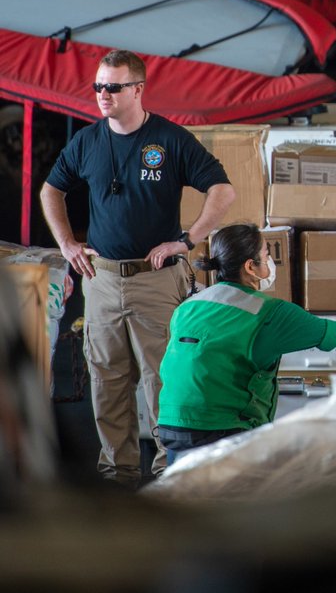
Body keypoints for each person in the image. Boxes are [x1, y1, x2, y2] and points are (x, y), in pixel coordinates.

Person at [40, 49, 235, 488]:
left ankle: (170, 472)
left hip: (156, 279)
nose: (103, 95)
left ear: (138, 90)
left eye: (113, 87)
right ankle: (118, 473)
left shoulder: (170, 140)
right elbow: (51, 190)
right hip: (103, 279)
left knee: (163, 380)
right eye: (98, 87)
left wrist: (186, 240)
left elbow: (222, 191)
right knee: (107, 381)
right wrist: (68, 243)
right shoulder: (88, 141)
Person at [158, 224, 336, 464]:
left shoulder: (189, 306)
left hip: (172, 424)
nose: (271, 262)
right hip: (222, 428)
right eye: (267, 255)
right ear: (251, 267)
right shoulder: (267, 312)